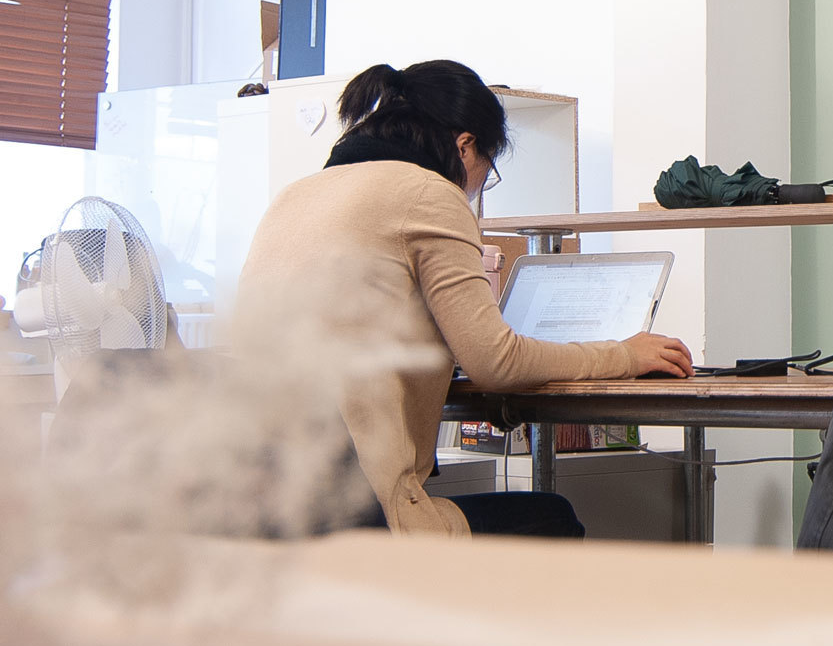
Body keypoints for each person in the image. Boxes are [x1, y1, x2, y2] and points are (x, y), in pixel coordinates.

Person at [234, 60, 691, 537]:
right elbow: (496, 362)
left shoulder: (296, 194)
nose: (475, 189)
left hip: (265, 506)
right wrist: (625, 353)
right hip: (362, 513)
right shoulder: (429, 192)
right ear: (466, 144)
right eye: (487, 171)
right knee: (552, 518)